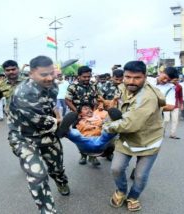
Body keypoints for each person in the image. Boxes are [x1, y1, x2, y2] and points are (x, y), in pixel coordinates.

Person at [8, 55, 69, 214]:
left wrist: (58, 114)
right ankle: (47, 211)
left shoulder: (52, 85)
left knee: (56, 168)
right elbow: (41, 121)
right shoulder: (24, 93)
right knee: (38, 175)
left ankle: (61, 181)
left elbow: (51, 105)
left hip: (48, 135)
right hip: (24, 137)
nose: (49, 78)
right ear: (31, 74)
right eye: (44, 75)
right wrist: (61, 123)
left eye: (51, 73)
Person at [105, 61, 165, 212]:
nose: (131, 81)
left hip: (149, 141)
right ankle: (121, 191)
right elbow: (116, 110)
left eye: (137, 77)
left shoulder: (147, 97)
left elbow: (130, 124)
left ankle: (133, 197)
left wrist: (105, 127)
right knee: (116, 169)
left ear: (145, 77)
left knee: (140, 175)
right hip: (127, 139)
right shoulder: (122, 88)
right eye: (128, 77)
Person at [65, 65, 100, 166]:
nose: (87, 79)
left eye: (88, 76)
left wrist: (96, 110)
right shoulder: (72, 86)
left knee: (94, 134)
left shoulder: (94, 85)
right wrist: (77, 112)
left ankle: (93, 156)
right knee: (81, 137)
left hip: (92, 115)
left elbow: (98, 98)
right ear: (79, 76)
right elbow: (68, 100)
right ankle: (83, 155)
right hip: (78, 116)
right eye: (84, 77)